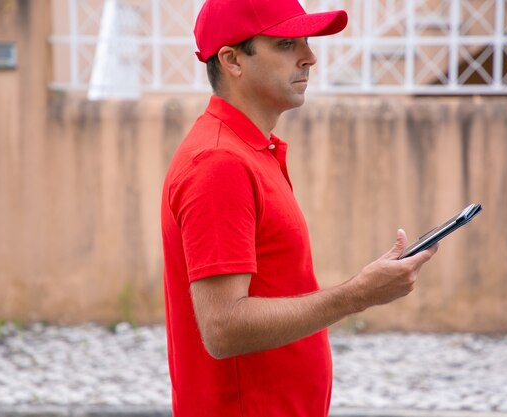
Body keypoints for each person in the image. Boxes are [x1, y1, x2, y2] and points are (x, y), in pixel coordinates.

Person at [160, 0, 438, 416]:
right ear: (232, 60)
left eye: (305, 41)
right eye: (287, 43)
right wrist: (358, 294)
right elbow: (223, 328)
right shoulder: (220, 164)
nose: (309, 57)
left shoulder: (249, 151)